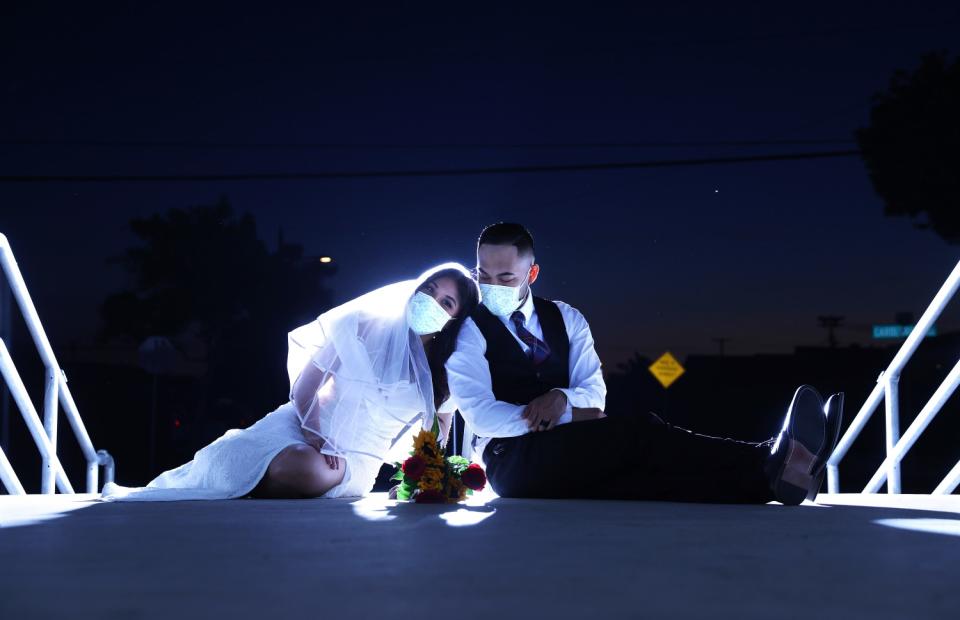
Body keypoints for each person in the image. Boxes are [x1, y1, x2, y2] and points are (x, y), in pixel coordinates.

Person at [446, 223, 843, 504]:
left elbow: (594, 394)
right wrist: (565, 414)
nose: (491, 288)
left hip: (571, 448)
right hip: (511, 460)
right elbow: (481, 416)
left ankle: (776, 482)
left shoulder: (567, 319)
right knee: (638, 432)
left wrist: (563, 399)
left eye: (505, 277)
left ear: (531, 273)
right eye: (483, 275)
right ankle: (770, 457)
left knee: (644, 479)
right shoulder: (471, 330)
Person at [102, 263, 480, 501]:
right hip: (304, 422)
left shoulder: (444, 371)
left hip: (353, 458)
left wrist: (423, 473)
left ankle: (255, 485)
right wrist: (314, 432)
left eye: (447, 303)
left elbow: (439, 428)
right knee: (250, 455)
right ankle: (240, 478)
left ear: (455, 319)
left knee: (301, 469)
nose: (433, 301)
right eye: (430, 290)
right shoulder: (363, 325)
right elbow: (307, 383)